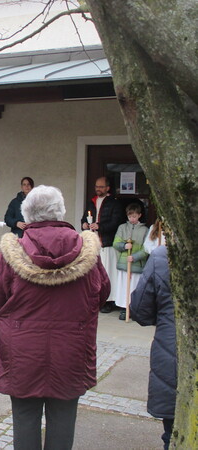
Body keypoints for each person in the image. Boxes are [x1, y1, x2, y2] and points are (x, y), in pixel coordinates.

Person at [0, 185, 110, 450]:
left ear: (27, 214)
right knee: (63, 418)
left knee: (25, 418)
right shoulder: (87, 249)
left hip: (22, 352)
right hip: (72, 349)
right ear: (60, 211)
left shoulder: (14, 250)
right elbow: (102, 293)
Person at [130, 245, 176, 449]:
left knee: (174, 434)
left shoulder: (164, 255)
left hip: (173, 345)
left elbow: (141, 309)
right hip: (172, 346)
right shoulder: (162, 256)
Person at [81, 176, 124, 313]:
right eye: (96, 187)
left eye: (100, 187)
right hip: (93, 244)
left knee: (108, 273)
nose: (97, 189)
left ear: (107, 188)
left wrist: (100, 226)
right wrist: (84, 224)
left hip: (107, 243)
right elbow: (84, 218)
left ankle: (108, 300)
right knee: (94, 273)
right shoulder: (91, 202)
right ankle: (95, 298)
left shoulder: (114, 203)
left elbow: (116, 222)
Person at [113, 203, 149, 320]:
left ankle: (133, 308)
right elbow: (115, 243)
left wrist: (135, 257)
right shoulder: (122, 228)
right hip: (124, 263)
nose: (132, 219)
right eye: (130, 217)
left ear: (139, 215)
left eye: (134, 216)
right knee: (124, 287)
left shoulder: (144, 230)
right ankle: (124, 308)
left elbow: (147, 249)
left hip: (136, 265)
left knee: (134, 287)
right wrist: (124, 246)